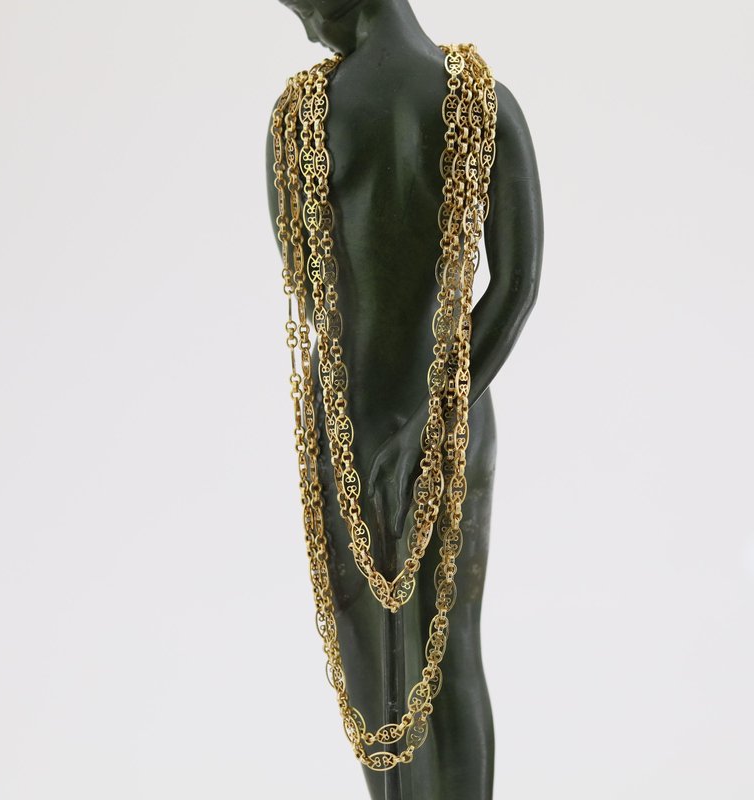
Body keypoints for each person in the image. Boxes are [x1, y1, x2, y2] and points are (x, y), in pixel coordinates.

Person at [265, 1, 543, 797]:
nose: (307, 30)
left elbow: (309, 283)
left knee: (374, 668)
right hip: (458, 407)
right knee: (451, 654)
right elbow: (516, 287)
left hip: (349, 418)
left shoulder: (299, 120)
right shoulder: (485, 101)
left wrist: (393, 421)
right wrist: (431, 418)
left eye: (303, 7)